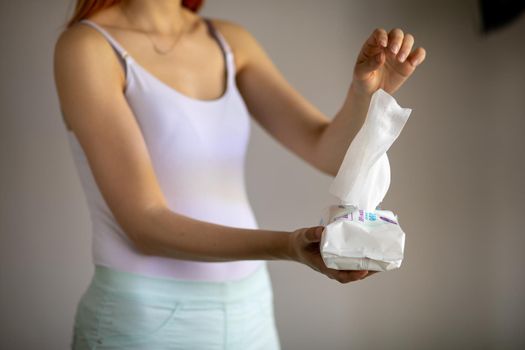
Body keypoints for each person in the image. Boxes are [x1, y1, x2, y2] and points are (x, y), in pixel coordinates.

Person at [53, 0, 426, 349]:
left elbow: (326, 150)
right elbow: (145, 224)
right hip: (145, 316)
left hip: (251, 307)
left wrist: (366, 93)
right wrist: (289, 246)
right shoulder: (87, 47)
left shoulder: (229, 41)